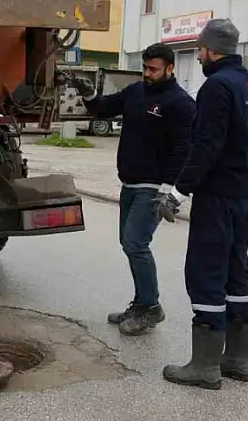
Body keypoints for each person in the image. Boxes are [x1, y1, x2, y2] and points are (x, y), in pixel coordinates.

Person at [158, 18, 248, 390]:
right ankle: (238, 359)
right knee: (236, 272)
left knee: (206, 270)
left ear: (210, 50)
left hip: (219, 195)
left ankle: (204, 366)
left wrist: (178, 191)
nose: (199, 56)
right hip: (247, 191)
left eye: (200, 50)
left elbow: (206, 146)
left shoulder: (216, 87)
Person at [64, 44, 196, 336]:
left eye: (154, 69)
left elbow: (183, 151)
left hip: (153, 187)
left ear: (170, 69)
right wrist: (88, 94)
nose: (147, 74)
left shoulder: (180, 103)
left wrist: (169, 193)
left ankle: (150, 307)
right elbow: (103, 108)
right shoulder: (136, 92)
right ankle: (141, 303)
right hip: (130, 183)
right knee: (129, 243)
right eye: (145, 68)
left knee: (136, 243)